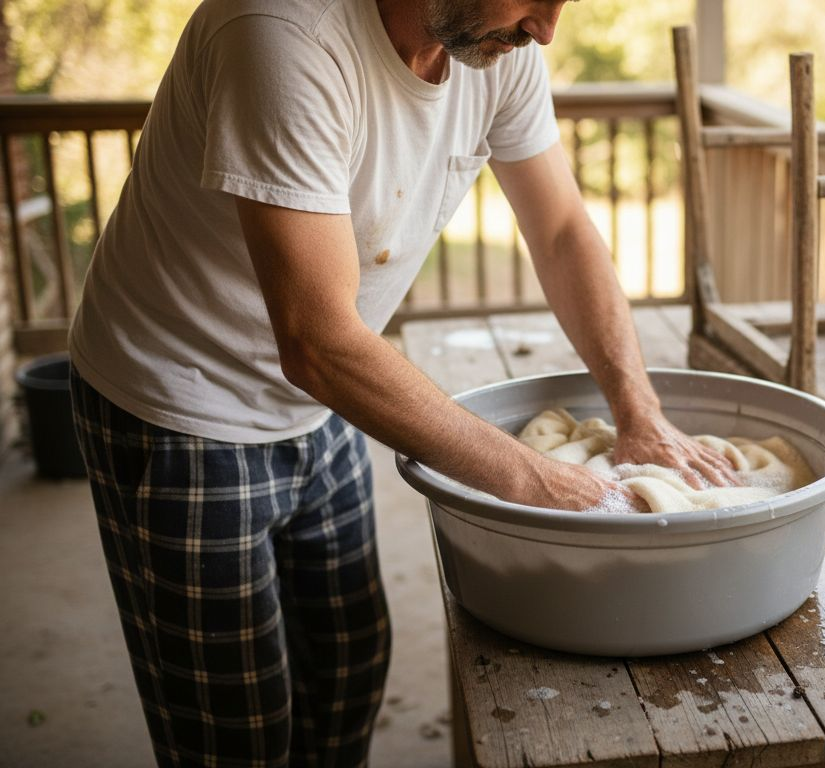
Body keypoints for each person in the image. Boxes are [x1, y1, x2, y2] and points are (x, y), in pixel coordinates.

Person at [67, 0, 737, 764]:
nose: (546, 29)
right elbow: (317, 341)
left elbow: (559, 232)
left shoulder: (498, 46)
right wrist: (549, 485)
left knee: (347, 670)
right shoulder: (284, 35)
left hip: (323, 401)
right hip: (179, 401)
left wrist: (638, 410)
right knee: (236, 727)